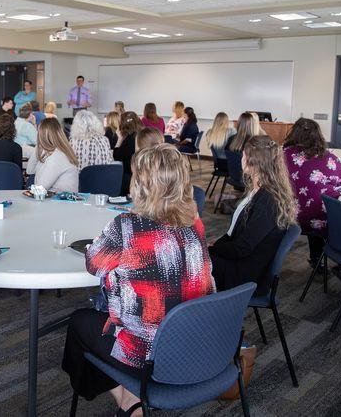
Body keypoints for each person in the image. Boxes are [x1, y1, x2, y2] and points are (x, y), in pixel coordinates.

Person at [62, 144, 213, 410]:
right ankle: (131, 397)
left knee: (79, 323)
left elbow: (93, 263)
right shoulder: (195, 225)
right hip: (193, 341)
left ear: (141, 185)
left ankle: (128, 400)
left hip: (147, 352)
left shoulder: (128, 227)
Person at [209, 136, 297, 292]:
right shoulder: (257, 189)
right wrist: (215, 246)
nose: (241, 158)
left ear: (255, 162)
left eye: (244, 155)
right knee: (191, 258)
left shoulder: (268, 200)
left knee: (191, 264)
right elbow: (235, 234)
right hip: (241, 260)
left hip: (246, 273)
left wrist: (211, 250)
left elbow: (244, 247)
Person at [283, 118, 341, 269]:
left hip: (290, 215)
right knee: (319, 203)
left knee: (308, 202)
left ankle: (316, 258)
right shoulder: (329, 157)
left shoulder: (283, 155)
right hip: (325, 216)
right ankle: (339, 262)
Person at [27, 118, 79, 192]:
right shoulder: (55, 152)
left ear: (42, 136)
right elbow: (29, 170)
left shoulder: (57, 157)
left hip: (61, 202)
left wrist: (39, 144)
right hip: (57, 200)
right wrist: (38, 147)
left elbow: (39, 188)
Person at [113, 112, 142, 195]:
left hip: (130, 178)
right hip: (140, 175)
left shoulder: (130, 139)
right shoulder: (141, 136)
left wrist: (120, 139)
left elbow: (116, 156)